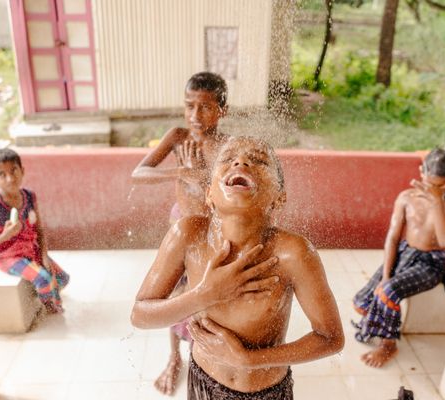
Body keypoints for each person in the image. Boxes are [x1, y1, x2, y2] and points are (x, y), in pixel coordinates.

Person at [132, 136, 345, 399]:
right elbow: (140, 315)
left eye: (258, 160)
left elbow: (331, 337)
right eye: (228, 158)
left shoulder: (293, 253)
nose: (241, 161)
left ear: (279, 198)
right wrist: (206, 294)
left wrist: (249, 360)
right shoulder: (188, 235)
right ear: (209, 192)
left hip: (265, 391)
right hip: (202, 381)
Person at [131, 72, 230, 395]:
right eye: (189, 106)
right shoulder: (177, 137)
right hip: (181, 227)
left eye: (205, 107)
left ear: (222, 110)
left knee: (208, 296)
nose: (195, 116)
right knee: (175, 295)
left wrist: (202, 179)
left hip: (215, 233)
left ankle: (205, 354)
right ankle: (174, 358)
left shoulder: (228, 147)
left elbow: (228, 195)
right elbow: (140, 172)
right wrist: (180, 171)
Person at [352, 148, 445, 368]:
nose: (434, 190)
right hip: (406, 253)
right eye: (430, 184)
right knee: (362, 302)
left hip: (432, 262)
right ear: (421, 173)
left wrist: (436, 200)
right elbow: (393, 238)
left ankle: (389, 345)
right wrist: (386, 275)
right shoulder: (407, 197)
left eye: (440, 186)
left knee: (387, 293)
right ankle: (381, 318)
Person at [0, 148, 69, 314]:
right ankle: (49, 308)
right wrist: (5, 235)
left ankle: (41, 291)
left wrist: (43, 256)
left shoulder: (29, 196)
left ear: (22, 171)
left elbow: (39, 229)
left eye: (14, 171)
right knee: (44, 278)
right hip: (8, 256)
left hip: (31, 250)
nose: (10, 178)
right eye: (2, 174)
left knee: (62, 278)